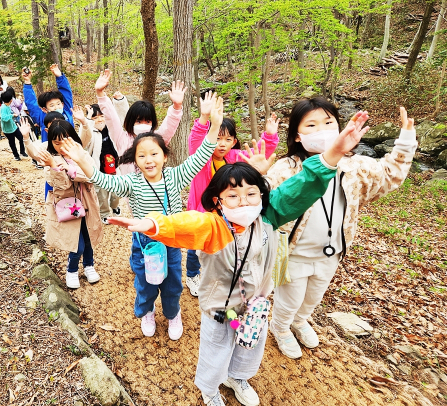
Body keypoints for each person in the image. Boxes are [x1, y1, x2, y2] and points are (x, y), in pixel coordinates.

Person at [106, 112, 371, 406]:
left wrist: (333, 153)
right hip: (222, 309)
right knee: (217, 346)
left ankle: (237, 377)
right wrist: (153, 225)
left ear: (262, 196)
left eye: (251, 194)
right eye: (232, 196)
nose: (243, 201)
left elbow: (300, 187)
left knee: (250, 345)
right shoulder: (215, 226)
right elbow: (185, 224)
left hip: (254, 306)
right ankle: (209, 388)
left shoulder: (268, 217)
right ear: (218, 201)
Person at [59, 95, 225, 341]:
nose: (149, 160)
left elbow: (200, 158)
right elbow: (104, 180)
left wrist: (213, 125)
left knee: (172, 285)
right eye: (142, 156)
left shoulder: (175, 176)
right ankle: (147, 311)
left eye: (154, 154)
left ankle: (172, 313)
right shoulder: (132, 182)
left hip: (171, 243)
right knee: (145, 284)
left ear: (165, 156)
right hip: (143, 245)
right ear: (134, 160)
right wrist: (83, 160)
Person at [266, 99, 417, 361]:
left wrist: (405, 141)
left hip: (331, 252)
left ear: (340, 128)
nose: (321, 130)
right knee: (289, 299)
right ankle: (280, 328)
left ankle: (300, 322)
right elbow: (267, 200)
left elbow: (388, 175)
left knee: (312, 298)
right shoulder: (286, 169)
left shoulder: (354, 166)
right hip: (293, 253)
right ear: (297, 136)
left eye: (328, 123)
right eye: (311, 125)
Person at [184, 91, 280, 297]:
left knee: (224, 244)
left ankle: (222, 273)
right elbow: (195, 140)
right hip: (202, 211)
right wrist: (205, 118)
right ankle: (192, 274)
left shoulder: (235, 157)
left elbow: (258, 157)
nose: (222, 143)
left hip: (228, 212)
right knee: (196, 245)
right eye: (217, 138)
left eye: (228, 139)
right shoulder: (200, 157)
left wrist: (270, 137)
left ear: (234, 141)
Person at [32, 120, 103, 289]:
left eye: (66, 140)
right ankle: (71, 270)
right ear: (51, 143)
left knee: (88, 237)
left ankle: (89, 265)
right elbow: (61, 186)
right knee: (76, 243)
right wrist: (55, 167)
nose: (62, 146)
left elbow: (91, 175)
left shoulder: (81, 153)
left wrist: (70, 170)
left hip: (87, 203)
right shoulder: (51, 160)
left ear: (73, 138)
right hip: (68, 206)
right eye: (56, 143)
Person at [94, 69, 186, 174]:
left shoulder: (157, 140)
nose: (143, 125)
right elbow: (111, 118)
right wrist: (100, 94)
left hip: (153, 189)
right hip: (128, 189)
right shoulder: (122, 139)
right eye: (138, 121)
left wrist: (177, 106)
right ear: (131, 122)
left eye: (148, 121)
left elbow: (169, 126)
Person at [80, 104, 121, 224]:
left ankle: (114, 206)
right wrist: (86, 120)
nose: (100, 120)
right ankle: (104, 213)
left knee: (116, 192)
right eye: (95, 118)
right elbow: (82, 141)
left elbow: (119, 118)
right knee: (102, 196)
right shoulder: (90, 132)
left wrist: (118, 101)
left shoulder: (111, 130)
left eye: (101, 116)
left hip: (114, 167)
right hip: (99, 170)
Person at [23, 64, 74, 141]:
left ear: (62, 104)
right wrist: (27, 82)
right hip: (50, 151)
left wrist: (59, 76)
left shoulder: (67, 112)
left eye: (58, 104)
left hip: (70, 149)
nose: (57, 107)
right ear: (45, 109)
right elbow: (31, 104)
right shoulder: (42, 118)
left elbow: (67, 94)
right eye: (52, 105)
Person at [0, 90, 28, 160]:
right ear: (10, 100)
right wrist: (12, 115)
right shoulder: (3, 108)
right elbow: (4, 118)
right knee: (12, 143)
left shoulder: (7, 106)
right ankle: (16, 156)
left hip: (13, 127)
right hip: (7, 129)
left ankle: (22, 152)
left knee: (21, 138)